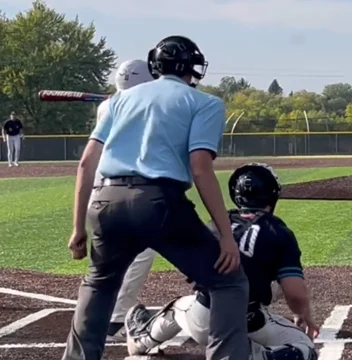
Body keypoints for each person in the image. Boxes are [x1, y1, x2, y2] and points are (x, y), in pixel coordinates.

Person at [62, 35, 249, 360]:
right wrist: (225, 236)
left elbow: (86, 163)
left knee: (99, 284)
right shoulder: (205, 103)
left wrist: (78, 227)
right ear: (192, 67)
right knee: (228, 282)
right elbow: (201, 169)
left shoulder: (118, 101)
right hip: (159, 203)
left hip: (105, 202)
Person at [124, 163, 319, 360]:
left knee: (178, 307)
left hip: (203, 317)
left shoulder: (217, 224)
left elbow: (191, 271)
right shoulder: (279, 231)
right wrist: (303, 313)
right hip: (250, 322)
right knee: (305, 348)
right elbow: (295, 294)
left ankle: (142, 339)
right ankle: (255, 356)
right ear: (271, 195)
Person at [90, 59, 158, 341]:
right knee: (143, 251)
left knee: (109, 255)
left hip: (100, 190)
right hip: (128, 189)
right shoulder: (145, 107)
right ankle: (117, 319)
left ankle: (99, 314)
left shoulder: (106, 106)